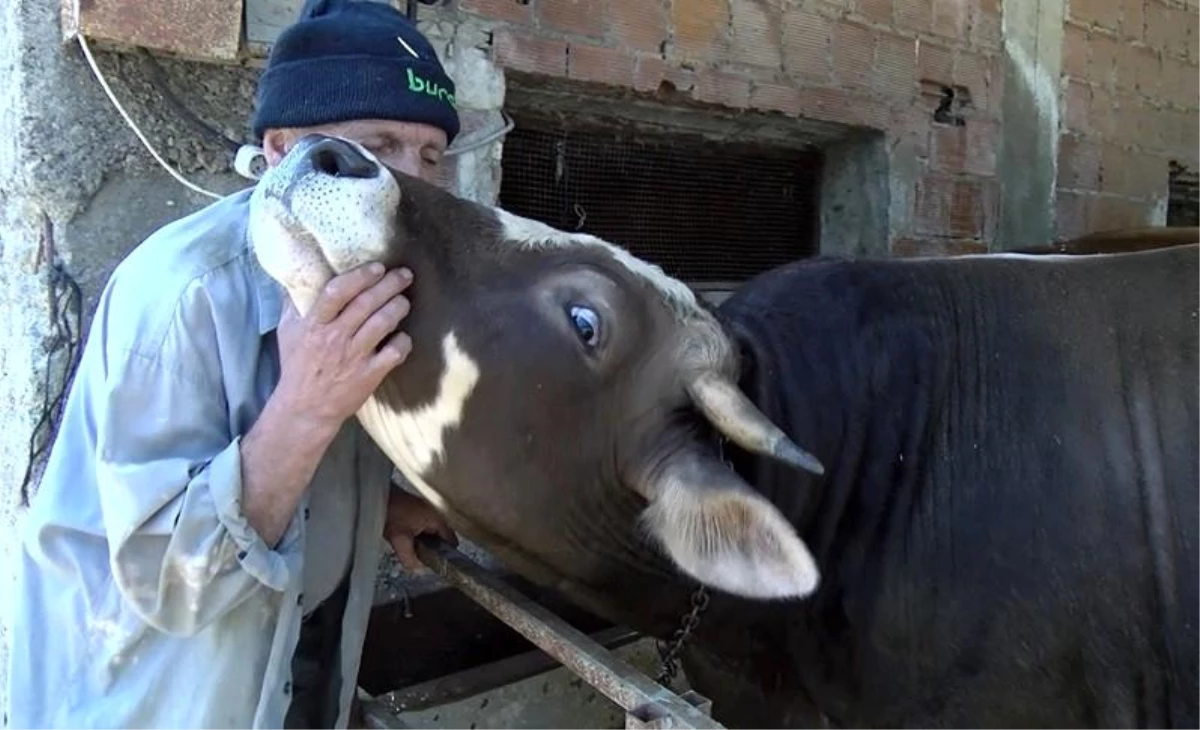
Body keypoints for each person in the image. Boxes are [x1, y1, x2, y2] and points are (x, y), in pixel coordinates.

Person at [5, 1, 462, 728]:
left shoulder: (365, 271)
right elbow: (169, 584)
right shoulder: (182, 296)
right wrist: (306, 403)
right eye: (375, 146)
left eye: (431, 156)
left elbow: (319, 470)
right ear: (281, 152)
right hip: (148, 697)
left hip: (288, 673)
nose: (409, 185)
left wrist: (379, 508)